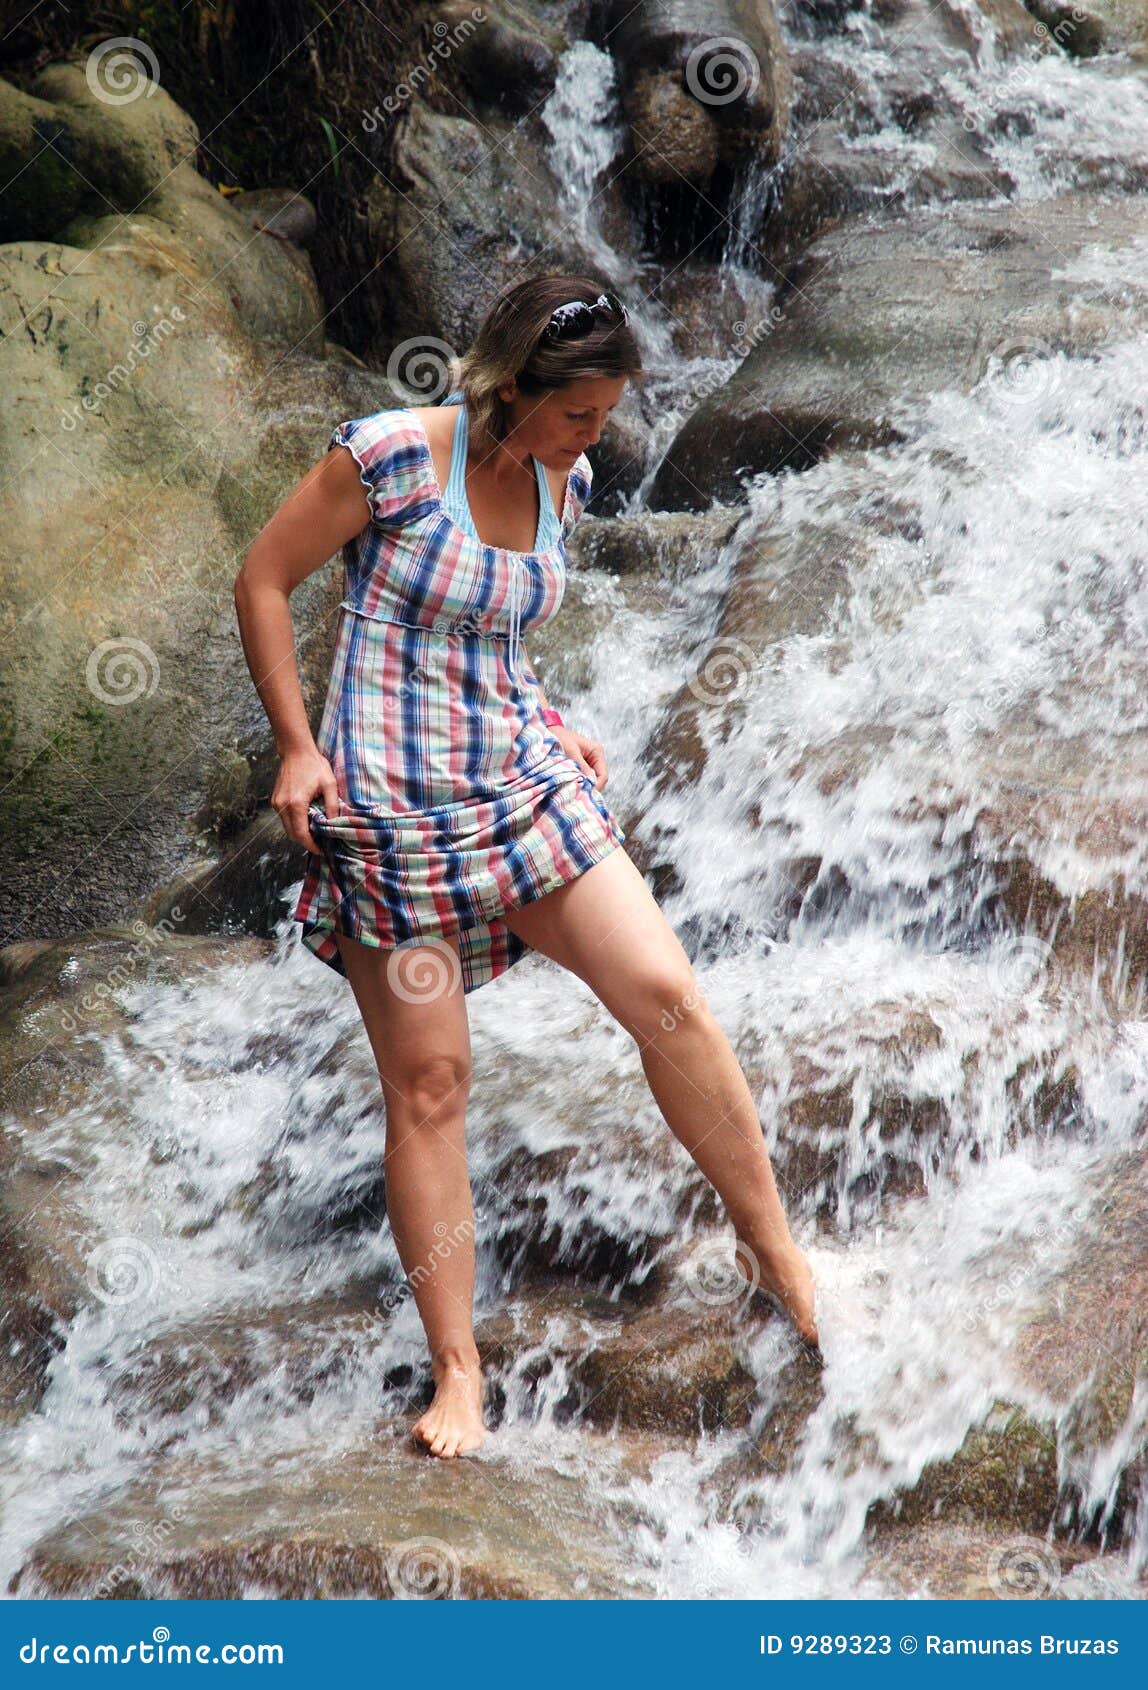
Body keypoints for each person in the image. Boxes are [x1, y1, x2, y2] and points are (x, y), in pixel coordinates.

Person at [233, 274, 820, 1461]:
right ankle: (458, 1369)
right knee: (432, 1085)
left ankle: (777, 1256)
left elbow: (490, 634)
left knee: (664, 996)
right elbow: (260, 580)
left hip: (520, 785)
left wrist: (546, 715)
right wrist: (298, 749)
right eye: (579, 415)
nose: (594, 438)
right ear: (509, 390)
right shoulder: (389, 458)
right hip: (392, 817)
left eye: (603, 416)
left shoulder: (567, 473)